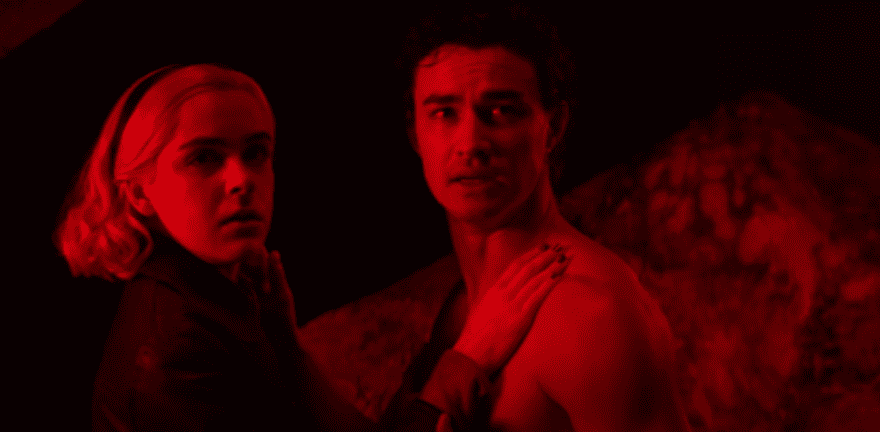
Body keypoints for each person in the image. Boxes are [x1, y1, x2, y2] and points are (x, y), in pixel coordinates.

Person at [55, 63, 571, 432]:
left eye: (257, 153)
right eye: (203, 158)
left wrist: (287, 347)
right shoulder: (173, 355)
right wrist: (467, 358)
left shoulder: (222, 297)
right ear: (139, 194)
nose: (241, 179)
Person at [384, 6, 693, 431]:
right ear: (414, 133)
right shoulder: (459, 309)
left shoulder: (593, 315)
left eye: (501, 111)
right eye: (444, 113)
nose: (470, 143)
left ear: (554, 127)